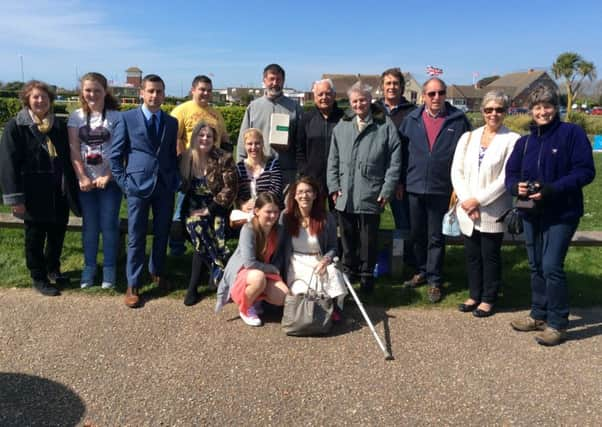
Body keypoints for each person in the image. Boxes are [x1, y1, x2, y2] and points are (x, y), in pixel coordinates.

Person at [505, 85, 595, 346]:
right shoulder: (525, 142)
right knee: (535, 265)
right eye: (537, 107)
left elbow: (585, 171)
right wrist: (515, 187)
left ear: (556, 108)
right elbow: (510, 174)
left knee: (551, 266)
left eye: (547, 106)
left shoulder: (572, 134)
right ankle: (538, 313)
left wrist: (552, 189)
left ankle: (557, 322)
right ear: (530, 110)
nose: (542, 112)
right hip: (531, 213)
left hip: (562, 211)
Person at [0, 80, 79, 296]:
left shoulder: (59, 126)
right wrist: (15, 199)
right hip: (33, 193)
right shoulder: (16, 126)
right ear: (27, 99)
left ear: (50, 101)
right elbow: (8, 164)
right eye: (35, 96)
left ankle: (53, 269)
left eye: (44, 97)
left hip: (58, 191)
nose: (40, 100)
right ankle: (38, 276)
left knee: (56, 234)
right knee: (35, 237)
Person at [400, 77, 471, 303]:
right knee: (416, 234)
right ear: (423, 96)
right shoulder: (411, 120)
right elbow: (401, 153)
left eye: (440, 93)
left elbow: (466, 157)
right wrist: (401, 182)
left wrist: (460, 188)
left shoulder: (458, 121)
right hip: (414, 185)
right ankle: (421, 270)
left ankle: (435, 280)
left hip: (442, 188)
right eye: (431, 94)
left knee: (436, 237)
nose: (436, 97)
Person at [111, 74, 179, 308]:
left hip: (164, 187)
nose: (155, 95)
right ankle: (133, 283)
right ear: (141, 92)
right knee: (136, 236)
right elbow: (115, 155)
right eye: (150, 91)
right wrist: (124, 183)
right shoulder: (127, 118)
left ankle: (156, 271)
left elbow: (171, 155)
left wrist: (174, 179)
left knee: (162, 232)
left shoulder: (171, 122)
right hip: (137, 187)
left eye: (159, 91)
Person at [327, 81, 401, 294]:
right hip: (345, 193)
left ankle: (367, 274)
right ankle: (349, 272)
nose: (359, 104)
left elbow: (394, 162)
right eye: (355, 101)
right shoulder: (342, 125)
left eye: (362, 100)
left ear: (370, 101)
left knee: (369, 237)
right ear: (350, 103)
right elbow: (333, 159)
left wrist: (386, 190)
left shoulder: (384, 126)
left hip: (371, 191)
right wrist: (333, 186)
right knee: (348, 236)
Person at [451, 91, 519, 317]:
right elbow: (456, 171)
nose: (494, 114)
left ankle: (489, 297)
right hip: (467, 208)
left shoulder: (512, 140)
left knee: (489, 255)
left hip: (492, 208)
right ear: (482, 112)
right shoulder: (468, 137)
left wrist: (477, 201)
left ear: (505, 111)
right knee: (472, 255)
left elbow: (506, 178)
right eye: (489, 109)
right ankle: (474, 294)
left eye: (499, 109)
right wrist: (466, 199)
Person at [67, 72, 122, 289]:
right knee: (89, 226)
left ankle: (109, 269)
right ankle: (89, 268)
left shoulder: (116, 117)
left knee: (109, 225)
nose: (92, 94)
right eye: (88, 90)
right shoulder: (76, 117)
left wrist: (107, 175)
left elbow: (119, 151)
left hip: (109, 181)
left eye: (97, 90)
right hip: (86, 182)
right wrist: (82, 176)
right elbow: (73, 149)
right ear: (82, 91)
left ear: (105, 91)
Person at [169, 75, 230, 256]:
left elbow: (224, 139)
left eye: (209, 90)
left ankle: (210, 244)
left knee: (210, 209)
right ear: (193, 90)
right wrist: (182, 160)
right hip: (189, 167)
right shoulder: (182, 110)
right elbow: (174, 137)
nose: (205, 93)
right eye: (202, 89)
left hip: (212, 171)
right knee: (181, 209)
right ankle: (176, 248)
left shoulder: (215, 114)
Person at [180, 122, 238, 306]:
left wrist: (209, 209)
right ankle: (218, 269)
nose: (205, 139)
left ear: (215, 140)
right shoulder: (186, 158)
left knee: (203, 231)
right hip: (192, 207)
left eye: (209, 137)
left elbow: (231, 189)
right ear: (195, 137)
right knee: (196, 224)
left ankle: (193, 287)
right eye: (201, 135)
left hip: (216, 207)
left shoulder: (223, 158)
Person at [215, 192, 288, 326]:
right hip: (244, 271)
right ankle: (246, 307)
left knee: (283, 296)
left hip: (263, 270)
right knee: (258, 278)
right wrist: (272, 269)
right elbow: (249, 263)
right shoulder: (248, 229)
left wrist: (275, 269)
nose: (272, 216)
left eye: (276, 212)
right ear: (257, 211)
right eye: (268, 212)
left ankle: (256, 299)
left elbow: (279, 256)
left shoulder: (279, 230)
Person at [280, 176, 346, 311]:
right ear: (295, 196)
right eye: (300, 192)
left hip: (318, 260)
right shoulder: (286, 217)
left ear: (315, 195)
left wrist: (326, 260)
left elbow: (334, 247)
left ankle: (333, 308)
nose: (304, 195)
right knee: (303, 294)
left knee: (333, 274)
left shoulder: (326, 218)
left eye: (308, 191)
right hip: (296, 263)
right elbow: (279, 246)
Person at [237, 64, 303, 186]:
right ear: (264, 81)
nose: (275, 83)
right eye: (271, 79)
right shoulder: (253, 107)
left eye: (279, 79)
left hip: (287, 172)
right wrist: (241, 167)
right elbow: (243, 140)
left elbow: (301, 142)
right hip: (258, 172)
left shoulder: (295, 108)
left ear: (283, 81)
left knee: (286, 206)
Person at [376, 68, 415, 239]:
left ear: (402, 87)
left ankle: (406, 259)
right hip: (375, 176)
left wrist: (401, 181)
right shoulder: (373, 109)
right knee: (370, 221)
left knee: (404, 221)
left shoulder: (412, 112)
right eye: (388, 83)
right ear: (382, 87)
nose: (392, 87)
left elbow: (412, 148)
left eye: (395, 83)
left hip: (401, 178)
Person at [296, 78, 344, 208]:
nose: (324, 97)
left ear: (334, 95)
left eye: (328, 94)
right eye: (320, 94)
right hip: (313, 180)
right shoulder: (306, 119)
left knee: (340, 218)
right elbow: (299, 149)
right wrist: (305, 172)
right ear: (314, 96)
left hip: (339, 179)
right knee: (315, 219)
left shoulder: (344, 119)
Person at [236, 128, 283, 213]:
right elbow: (237, 194)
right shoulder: (239, 167)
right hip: (247, 212)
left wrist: (259, 205)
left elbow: (276, 191)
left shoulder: (272, 163)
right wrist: (242, 205)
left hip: (268, 211)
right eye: (249, 144)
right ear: (245, 146)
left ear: (262, 144)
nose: (253, 147)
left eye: (257, 143)